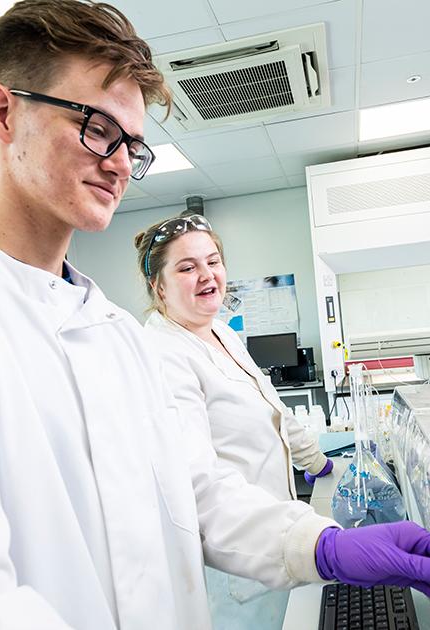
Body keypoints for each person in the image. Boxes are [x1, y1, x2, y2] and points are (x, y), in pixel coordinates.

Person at [0, 2, 430, 629]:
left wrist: (319, 546)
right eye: (97, 128)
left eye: (133, 142)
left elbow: (194, 489)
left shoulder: (116, 336)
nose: (122, 163)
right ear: (4, 113)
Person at [134, 214, 336, 629]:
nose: (207, 276)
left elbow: (272, 406)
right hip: (235, 561)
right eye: (187, 268)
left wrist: (318, 463)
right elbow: (198, 484)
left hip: (275, 533)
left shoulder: (221, 331)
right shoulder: (161, 355)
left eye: (213, 261)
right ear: (158, 285)